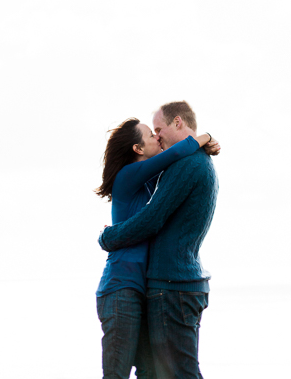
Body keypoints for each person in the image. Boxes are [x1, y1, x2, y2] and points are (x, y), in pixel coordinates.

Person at [99, 101, 219, 379]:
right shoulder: (131, 174)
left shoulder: (154, 178)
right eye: (151, 134)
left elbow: (156, 210)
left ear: (177, 122)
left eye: (158, 130)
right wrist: (205, 137)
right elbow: (174, 156)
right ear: (138, 149)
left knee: (150, 372)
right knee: (119, 374)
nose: (156, 136)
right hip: (122, 284)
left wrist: (202, 143)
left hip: (143, 286)